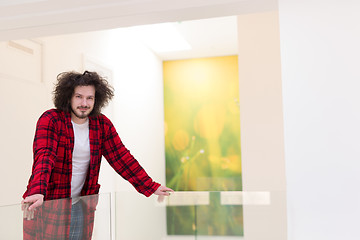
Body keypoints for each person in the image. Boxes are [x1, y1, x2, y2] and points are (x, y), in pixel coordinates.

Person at [22, 70, 173, 239]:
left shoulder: (102, 124)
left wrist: (151, 185)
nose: (84, 103)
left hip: (81, 204)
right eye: (79, 96)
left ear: (97, 99)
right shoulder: (51, 119)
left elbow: (122, 158)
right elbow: (45, 156)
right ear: (69, 97)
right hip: (49, 202)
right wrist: (37, 190)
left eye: (90, 98)